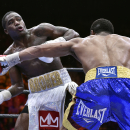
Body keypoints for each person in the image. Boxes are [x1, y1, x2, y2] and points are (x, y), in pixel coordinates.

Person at [2, 18, 130, 130]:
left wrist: (9, 59)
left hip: (95, 88)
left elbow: (39, 50)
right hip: (125, 86)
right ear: (112, 33)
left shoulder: (82, 42)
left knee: (68, 128)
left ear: (92, 33)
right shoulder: (127, 41)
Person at [0, 11, 79, 130]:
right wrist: (2, 96)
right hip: (36, 94)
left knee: (65, 126)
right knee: (20, 127)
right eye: (11, 22)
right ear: (6, 30)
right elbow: (18, 86)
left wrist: (52, 45)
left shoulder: (40, 31)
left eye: (18, 19)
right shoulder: (9, 54)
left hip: (62, 87)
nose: (16, 23)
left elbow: (73, 33)